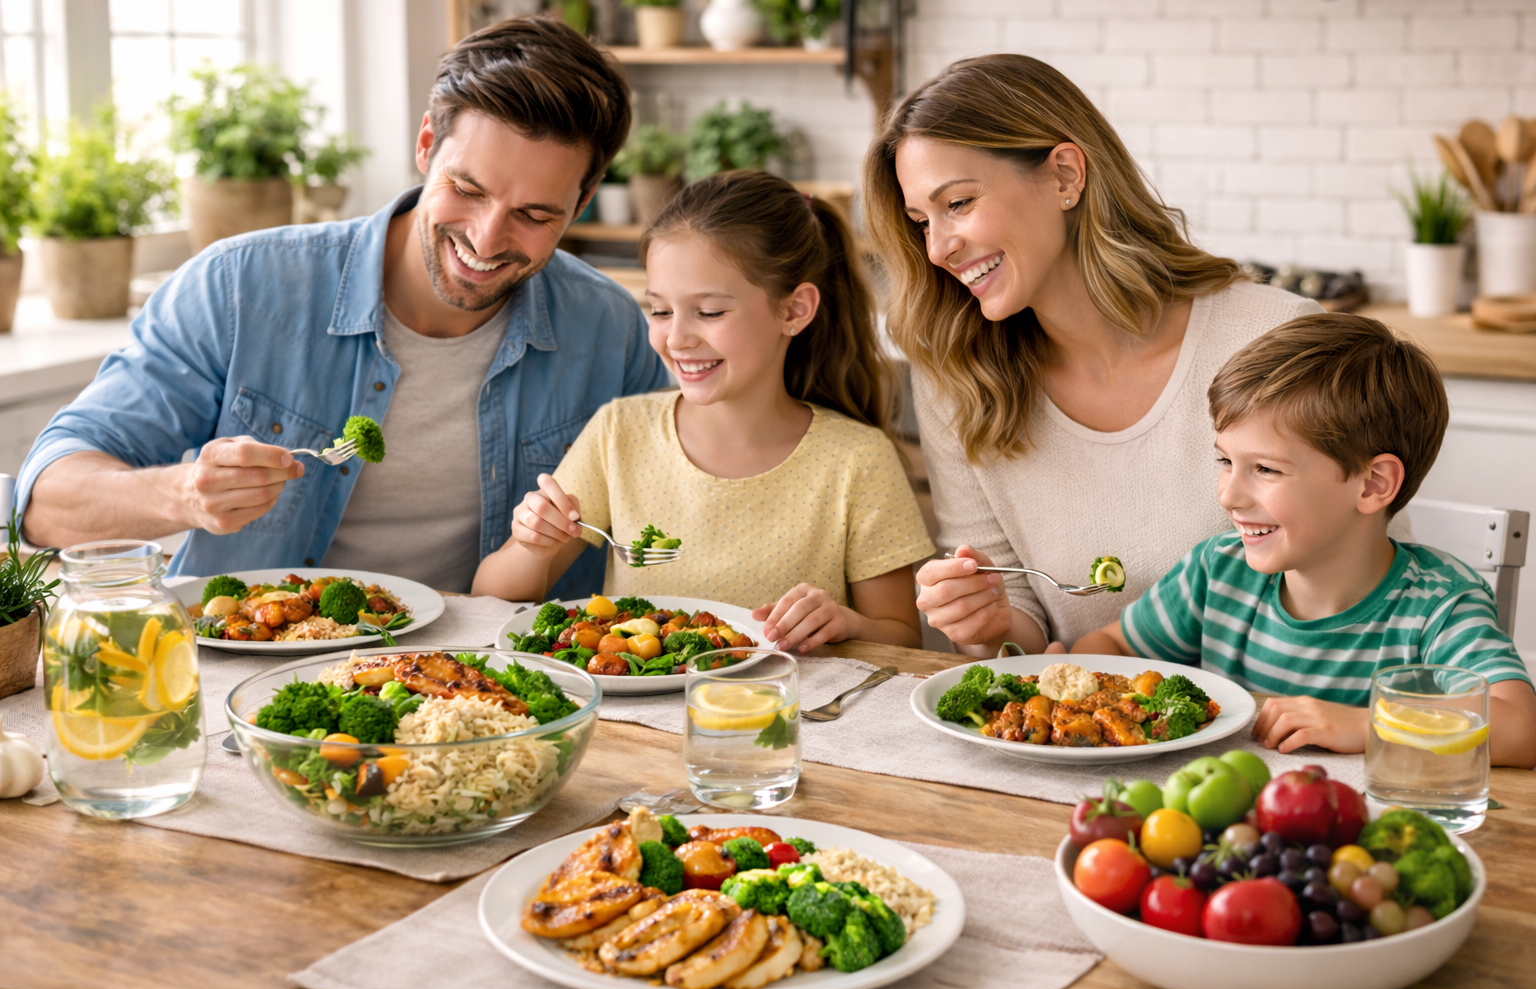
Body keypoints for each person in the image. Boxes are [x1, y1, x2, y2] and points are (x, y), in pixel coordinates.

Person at [15, 17, 669, 594]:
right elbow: (43, 503)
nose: (486, 238)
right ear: (424, 147)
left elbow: (683, 508)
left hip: (499, 694)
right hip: (260, 679)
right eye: (466, 188)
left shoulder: (609, 332)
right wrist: (183, 494)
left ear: (581, 206)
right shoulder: (240, 287)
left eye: (533, 214)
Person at [862, 54, 1352, 656]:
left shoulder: (1275, 338)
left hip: (1274, 731)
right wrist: (987, 621)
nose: (937, 249)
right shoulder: (960, 378)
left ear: (1066, 176)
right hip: (1079, 732)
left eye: (958, 203)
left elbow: (1365, 580)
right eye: (920, 221)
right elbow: (1020, 617)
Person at [473, 170, 933, 653]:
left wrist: (845, 624)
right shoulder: (619, 432)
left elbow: (904, 639)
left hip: (782, 719)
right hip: (633, 722)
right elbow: (490, 597)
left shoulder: (858, 460)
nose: (677, 338)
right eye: (661, 310)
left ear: (794, 310)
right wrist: (532, 546)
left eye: (709, 312)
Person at [1072, 314, 1536, 768]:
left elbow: (1520, 728)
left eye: (1266, 469)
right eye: (1226, 461)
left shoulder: (1439, 604)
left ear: (1373, 484)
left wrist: (1368, 724)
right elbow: (1108, 646)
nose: (1229, 495)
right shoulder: (1216, 572)